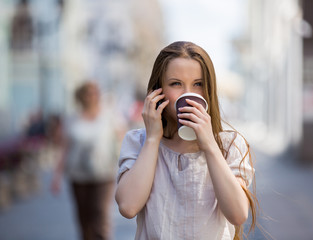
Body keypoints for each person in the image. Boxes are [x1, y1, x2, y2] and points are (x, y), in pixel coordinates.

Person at [115, 41, 258, 240]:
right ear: (158, 90)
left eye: (198, 84)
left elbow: (238, 214)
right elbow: (128, 207)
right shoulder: (138, 141)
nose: (188, 94)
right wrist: (153, 139)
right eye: (176, 84)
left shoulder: (229, 145)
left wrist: (209, 144)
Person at [51, 81, 123, 240]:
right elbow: (64, 148)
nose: (91, 97)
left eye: (94, 93)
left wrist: (126, 166)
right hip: (78, 175)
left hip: (104, 174)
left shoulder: (109, 116)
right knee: (84, 218)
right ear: (81, 96)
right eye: (88, 93)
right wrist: (56, 176)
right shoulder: (71, 119)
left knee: (101, 215)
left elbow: (122, 139)